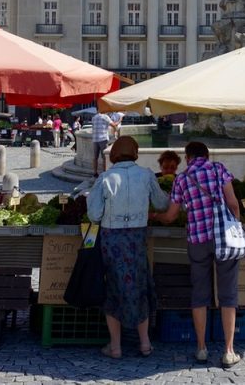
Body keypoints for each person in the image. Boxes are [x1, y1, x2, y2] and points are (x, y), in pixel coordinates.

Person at [156, 141, 242, 368]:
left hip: (197, 240)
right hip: (224, 239)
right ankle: (229, 351)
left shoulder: (182, 179)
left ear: (187, 158)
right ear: (207, 155)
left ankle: (202, 348)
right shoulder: (218, 169)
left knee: (200, 294)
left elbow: (172, 216)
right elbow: (233, 203)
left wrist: (156, 216)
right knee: (228, 295)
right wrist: (237, 226)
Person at [87, 136, 169, 359]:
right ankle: (144, 343)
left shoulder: (105, 178)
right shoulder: (146, 175)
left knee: (114, 288)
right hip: (136, 239)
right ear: (135, 152)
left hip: (112, 240)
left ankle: (115, 347)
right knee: (139, 286)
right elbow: (162, 204)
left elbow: (94, 215)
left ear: (113, 154)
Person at [91, 111, 118, 176]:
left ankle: (95, 173)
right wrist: (115, 133)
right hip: (103, 139)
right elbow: (114, 125)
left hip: (95, 139)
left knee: (95, 157)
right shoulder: (105, 117)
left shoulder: (94, 117)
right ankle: (105, 172)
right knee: (104, 157)